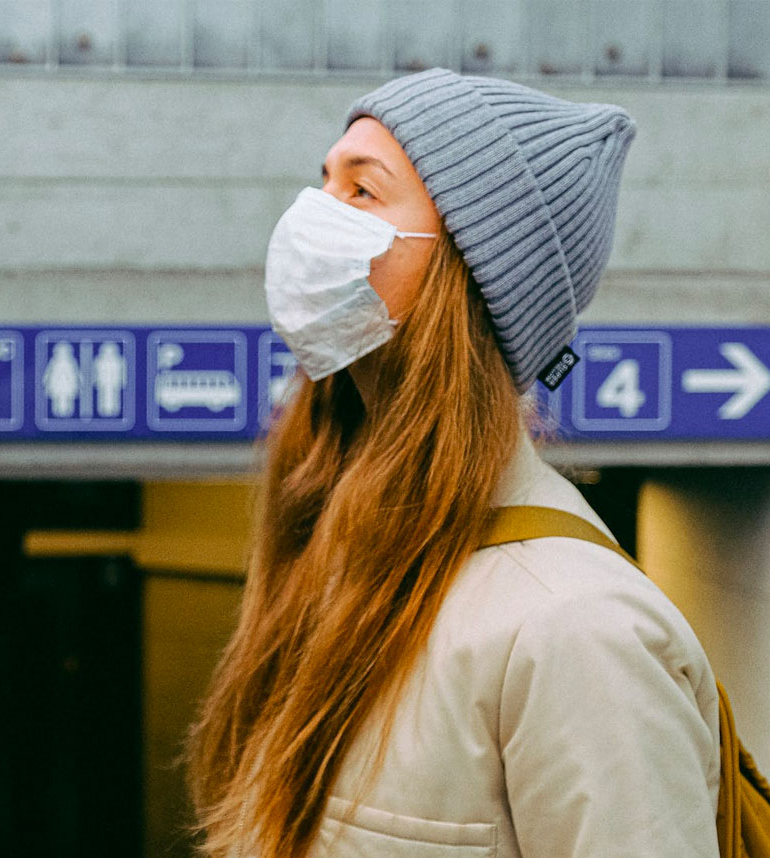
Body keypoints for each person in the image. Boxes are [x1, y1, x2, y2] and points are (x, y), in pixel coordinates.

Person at [186, 68, 720, 858]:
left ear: (468, 272)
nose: (310, 218)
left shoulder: (576, 630)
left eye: (362, 193)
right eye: (323, 180)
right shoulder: (343, 549)